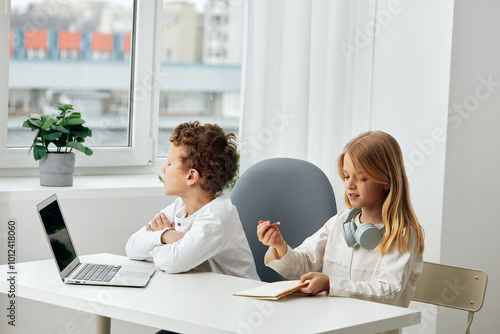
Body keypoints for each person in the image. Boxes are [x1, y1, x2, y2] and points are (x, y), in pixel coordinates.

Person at [257, 131, 424, 332]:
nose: (349, 185)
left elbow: (389, 293)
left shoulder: (403, 233)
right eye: (346, 176)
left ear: (386, 181)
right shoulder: (341, 222)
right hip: (332, 326)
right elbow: (301, 264)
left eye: (362, 178)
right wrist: (278, 245)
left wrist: (330, 284)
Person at [126, 121, 259, 281]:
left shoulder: (216, 217)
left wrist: (159, 243)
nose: (163, 169)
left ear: (191, 177)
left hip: (239, 299)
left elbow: (172, 262)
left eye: (169, 163)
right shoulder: (180, 207)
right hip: (206, 293)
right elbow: (132, 247)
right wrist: (167, 235)